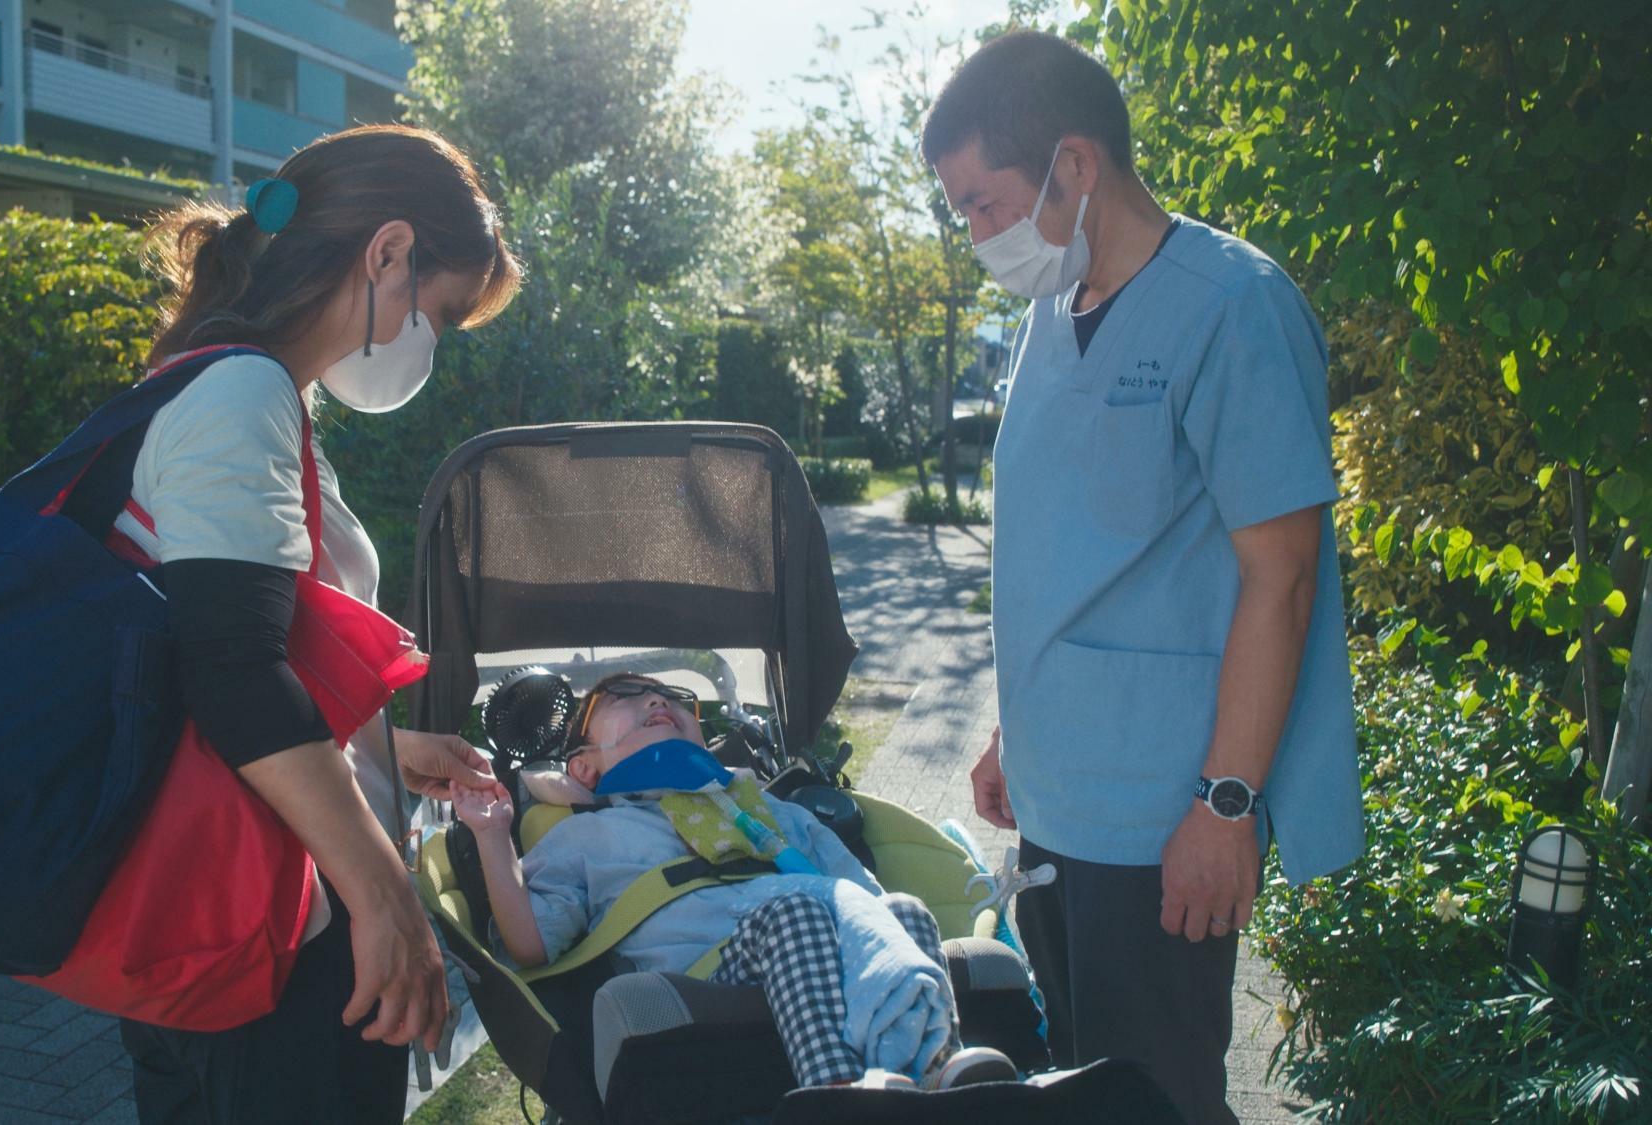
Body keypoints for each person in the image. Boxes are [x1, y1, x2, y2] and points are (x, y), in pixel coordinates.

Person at [921, 31, 1364, 1124]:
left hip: (1162, 812)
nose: (974, 234)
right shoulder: (1047, 312)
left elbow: (1284, 578)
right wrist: (1006, 730)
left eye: (982, 203)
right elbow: (1061, 550)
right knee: (1071, 1084)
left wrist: (1223, 807)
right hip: (1056, 804)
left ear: (1074, 166)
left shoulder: (1230, 308)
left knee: (1151, 1099)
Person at [112, 124, 521, 1124]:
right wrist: (386, 900)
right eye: (441, 310)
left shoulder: (250, 391)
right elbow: (234, 676)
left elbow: (243, 653)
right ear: (386, 252)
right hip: (280, 921)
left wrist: (390, 745)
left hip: (249, 904)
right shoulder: (240, 392)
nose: (433, 340)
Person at [452, 672, 1016, 1092]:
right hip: (707, 967)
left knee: (907, 912)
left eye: (676, 700)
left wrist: (880, 920)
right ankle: (837, 1092)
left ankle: (940, 1072)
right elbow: (530, 945)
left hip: (819, 929)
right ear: (584, 768)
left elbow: (866, 899)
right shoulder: (586, 837)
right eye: (624, 698)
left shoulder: (779, 815)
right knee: (794, 915)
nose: (658, 701)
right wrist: (493, 836)